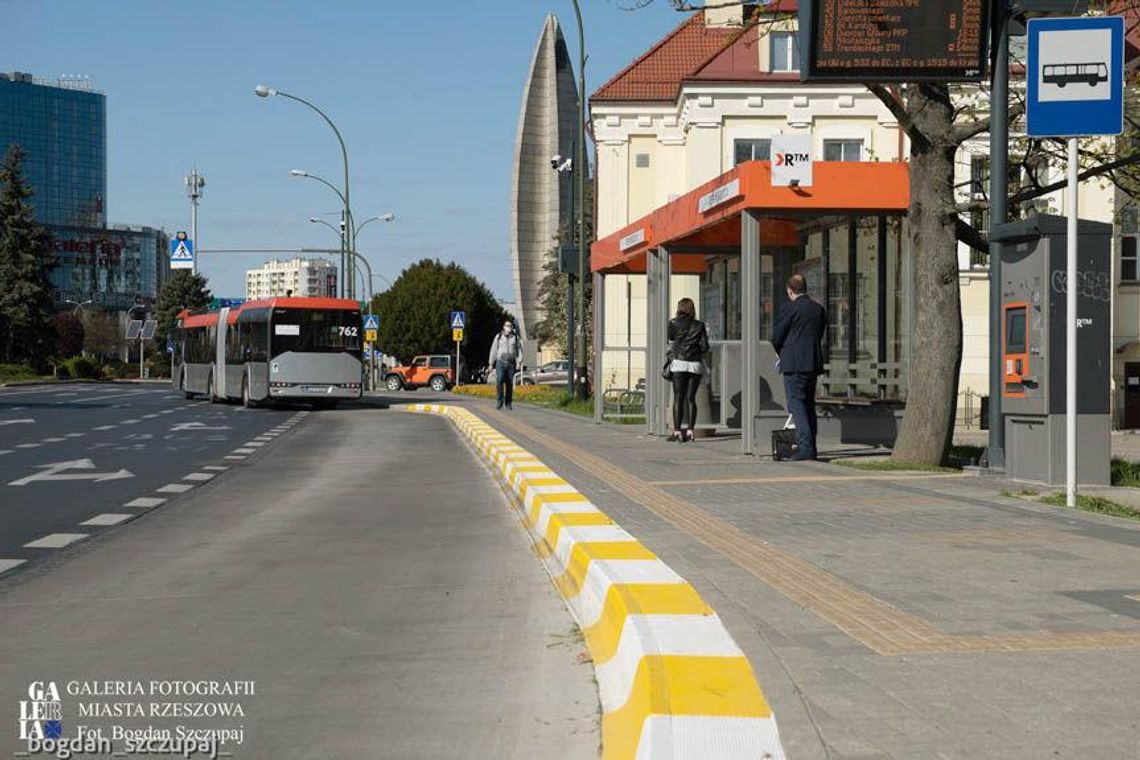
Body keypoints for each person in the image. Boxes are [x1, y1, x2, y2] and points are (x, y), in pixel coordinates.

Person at [771, 273, 827, 460]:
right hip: (812, 362)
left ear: (789, 290)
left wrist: (782, 352)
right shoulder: (817, 309)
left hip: (794, 363)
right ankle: (812, 446)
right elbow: (819, 334)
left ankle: (805, 448)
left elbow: (776, 336)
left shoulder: (790, 308)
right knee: (808, 405)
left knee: (797, 406)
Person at [666, 297, 709, 443]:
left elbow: (671, 338)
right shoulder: (700, 325)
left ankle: (677, 431)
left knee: (678, 398)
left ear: (679, 308)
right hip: (694, 364)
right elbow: (705, 347)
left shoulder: (673, 322)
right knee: (691, 399)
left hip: (678, 362)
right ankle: (690, 431)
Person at [488, 319, 522, 409]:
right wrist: (491, 363)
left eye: (510, 326)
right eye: (507, 325)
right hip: (500, 362)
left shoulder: (515, 337)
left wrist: (519, 362)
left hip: (511, 363)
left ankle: (508, 403)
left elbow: (519, 350)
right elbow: (493, 350)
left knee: (509, 383)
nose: (508, 327)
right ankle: (499, 401)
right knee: (499, 380)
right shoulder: (499, 336)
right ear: (503, 327)